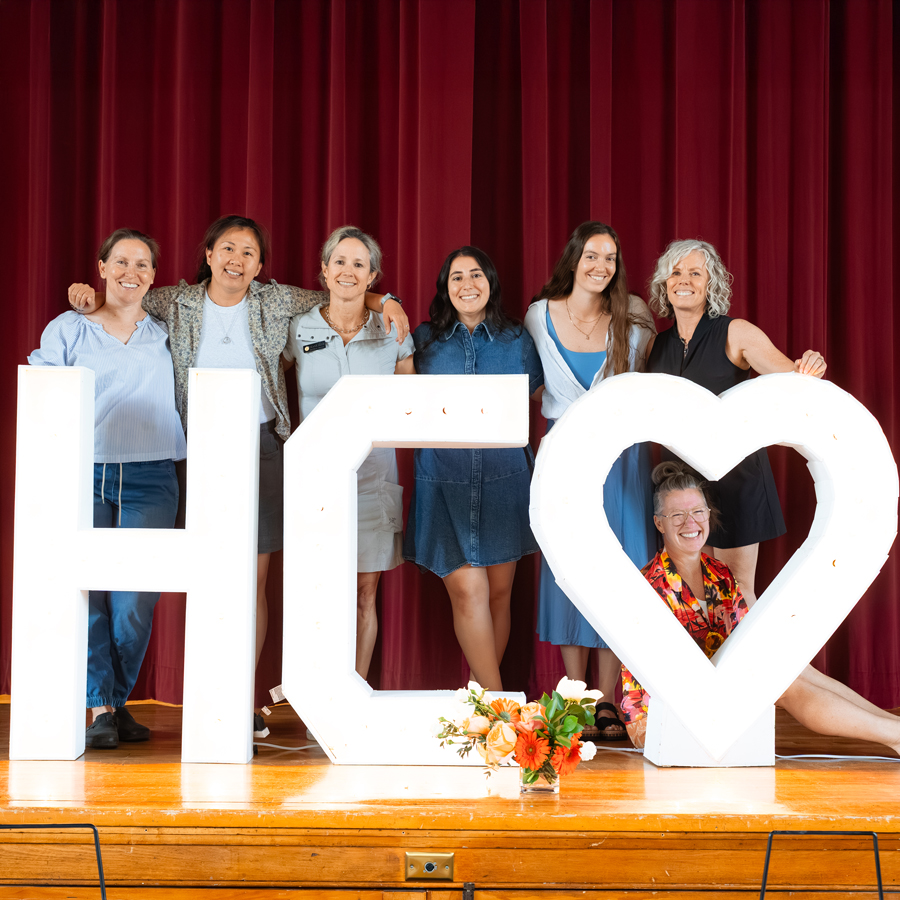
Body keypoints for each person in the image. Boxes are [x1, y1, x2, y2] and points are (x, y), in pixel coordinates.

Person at [68, 215, 409, 736]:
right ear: (207, 254)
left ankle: (239, 696)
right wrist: (87, 296)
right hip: (191, 452)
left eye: (248, 253)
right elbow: (122, 299)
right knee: (204, 575)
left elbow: (345, 289)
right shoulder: (172, 303)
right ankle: (187, 696)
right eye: (227, 249)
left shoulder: (276, 302)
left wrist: (387, 301)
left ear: (260, 266)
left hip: (263, 448)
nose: (236, 260)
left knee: (254, 579)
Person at [621, 461, 900, 756]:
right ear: (659, 523)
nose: (691, 523)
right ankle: (892, 734)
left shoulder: (720, 573)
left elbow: (746, 642)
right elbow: (674, 676)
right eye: (677, 514)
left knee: (792, 668)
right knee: (779, 683)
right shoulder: (648, 585)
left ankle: (894, 732)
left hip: (714, 691)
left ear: (709, 514)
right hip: (663, 715)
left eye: (698, 512)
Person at [31, 228, 186, 749]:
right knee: (88, 594)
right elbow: (42, 394)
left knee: (134, 600)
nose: (131, 273)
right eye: (121, 262)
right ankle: (103, 706)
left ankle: (112, 702)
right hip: (85, 473)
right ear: (101, 268)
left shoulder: (167, 331)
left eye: (143, 265)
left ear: (153, 278)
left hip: (152, 474)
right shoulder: (69, 329)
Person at [525, 221, 657, 740]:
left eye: (610, 258)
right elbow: (537, 385)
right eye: (592, 256)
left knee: (619, 571)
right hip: (564, 456)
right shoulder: (540, 316)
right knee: (568, 569)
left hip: (621, 458)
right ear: (573, 260)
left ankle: (610, 700)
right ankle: (573, 695)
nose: (601, 266)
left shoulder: (634, 323)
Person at [645, 239, 826, 608]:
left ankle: (784, 670)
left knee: (737, 593)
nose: (684, 280)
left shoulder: (736, 332)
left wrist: (810, 365)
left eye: (696, 273)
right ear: (665, 283)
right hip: (681, 484)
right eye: (676, 272)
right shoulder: (654, 346)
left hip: (736, 480)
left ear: (711, 284)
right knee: (694, 598)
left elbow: (793, 380)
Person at [403, 247, 544, 690]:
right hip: (442, 480)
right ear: (445, 288)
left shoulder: (517, 340)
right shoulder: (423, 341)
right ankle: (500, 706)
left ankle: (480, 704)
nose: (468, 284)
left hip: (506, 480)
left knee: (500, 595)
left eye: (476, 275)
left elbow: (542, 399)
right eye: (457, 277)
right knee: (469, 591)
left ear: (491, 283)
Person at [283, 226, 415, 680]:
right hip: (316, 480)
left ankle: (353, 691)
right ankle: (317, 689)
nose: (347, 271)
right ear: (323, 271)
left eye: (359, 264)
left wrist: (388, 302)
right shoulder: (299, 327)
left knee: (363, 592)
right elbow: (273, 378)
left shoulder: (393, 329)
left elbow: (410, 398)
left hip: (373, 479)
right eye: (339, 261)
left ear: (372, 275)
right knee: (320, 590)